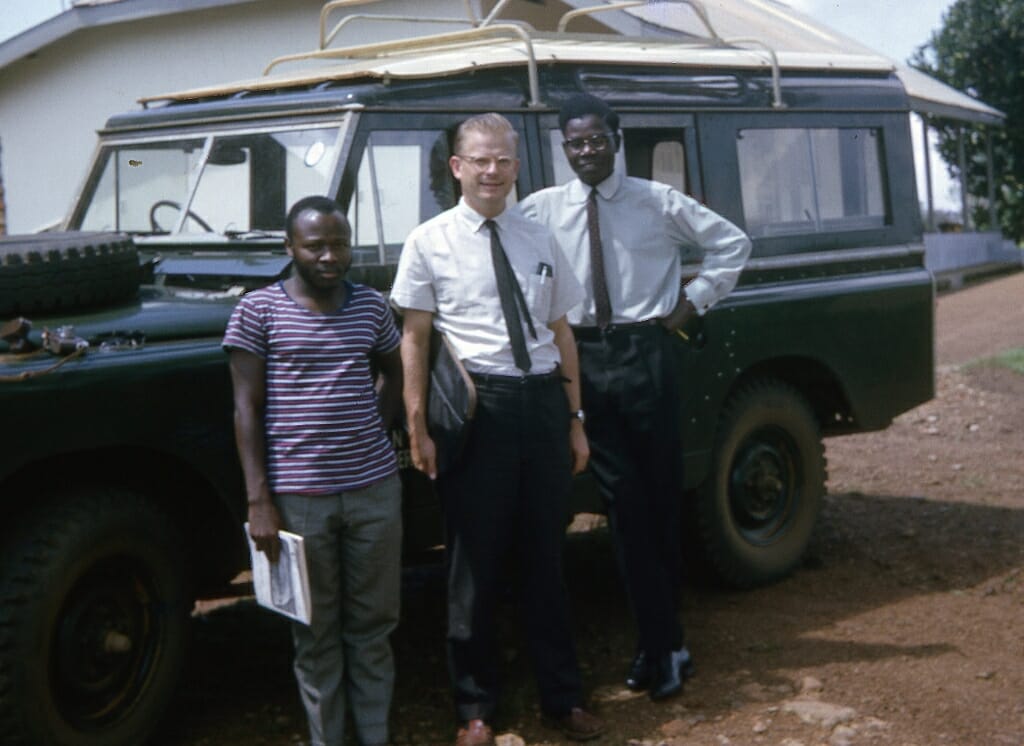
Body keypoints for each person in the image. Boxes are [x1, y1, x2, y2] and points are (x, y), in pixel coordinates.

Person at [520, 94, 752, 701]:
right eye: (575, 143)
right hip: (584, 361)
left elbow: (733, 245)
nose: (586, 151)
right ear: (563, 148)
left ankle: (664, 644)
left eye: (596, 139)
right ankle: (662, 642)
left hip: (647, 354)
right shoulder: (540, 209)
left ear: (615, 139)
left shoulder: (657, 201)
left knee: (659, 503)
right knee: (623, 508)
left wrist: (690, 304)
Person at [390, 113, 605, 746]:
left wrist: (575, 421)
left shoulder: (539, 237)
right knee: (473, 567)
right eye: (480, 160)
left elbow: (561, 334)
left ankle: (562, 699)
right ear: (457, 167)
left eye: (504, 160)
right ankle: (476, 710)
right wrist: (417, 426)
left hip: (541, 407)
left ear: (517, 166)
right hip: (477, 414)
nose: (492, 171)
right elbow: (414, 337)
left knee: (546, 559)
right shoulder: (428, 241)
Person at [224, 196, 403, 746]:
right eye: (315, 245)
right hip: (300, 500)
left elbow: (395, 373)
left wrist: (379, 429)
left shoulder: (371, 306)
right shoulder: (258, 311)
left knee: (373, 629)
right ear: (290, 248)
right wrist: (259, 501)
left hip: (374, 491)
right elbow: (246, 408)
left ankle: (374, 737)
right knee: (315, 634)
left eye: (339, 244)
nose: (330, 256)